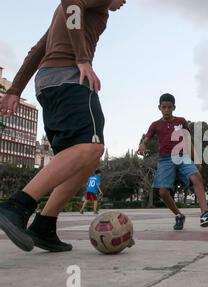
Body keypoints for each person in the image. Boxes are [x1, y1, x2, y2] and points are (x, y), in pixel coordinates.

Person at [0, 0, 127, 253]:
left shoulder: (72, 15)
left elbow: (38, 49)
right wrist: (82, 59)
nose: (125, 2)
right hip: (69, 78)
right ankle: (16, 206)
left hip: (48, 83)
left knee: (82, 159)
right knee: (91, 148)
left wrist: (15, 90)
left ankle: (45, 225)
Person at [137, 93, 208, 230]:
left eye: (169, 107)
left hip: (182, 156)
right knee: (163, 192)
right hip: (165, 160)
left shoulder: (181, 121)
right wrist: (142, 145)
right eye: (164, 107)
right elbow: (147, 139)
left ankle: (205, 213)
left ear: (174, 107)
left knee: (196, 177)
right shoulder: (155, 125)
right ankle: (179, 215)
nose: (166, 110)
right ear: (159, 108)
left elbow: (188, 141)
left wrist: (196, 159)